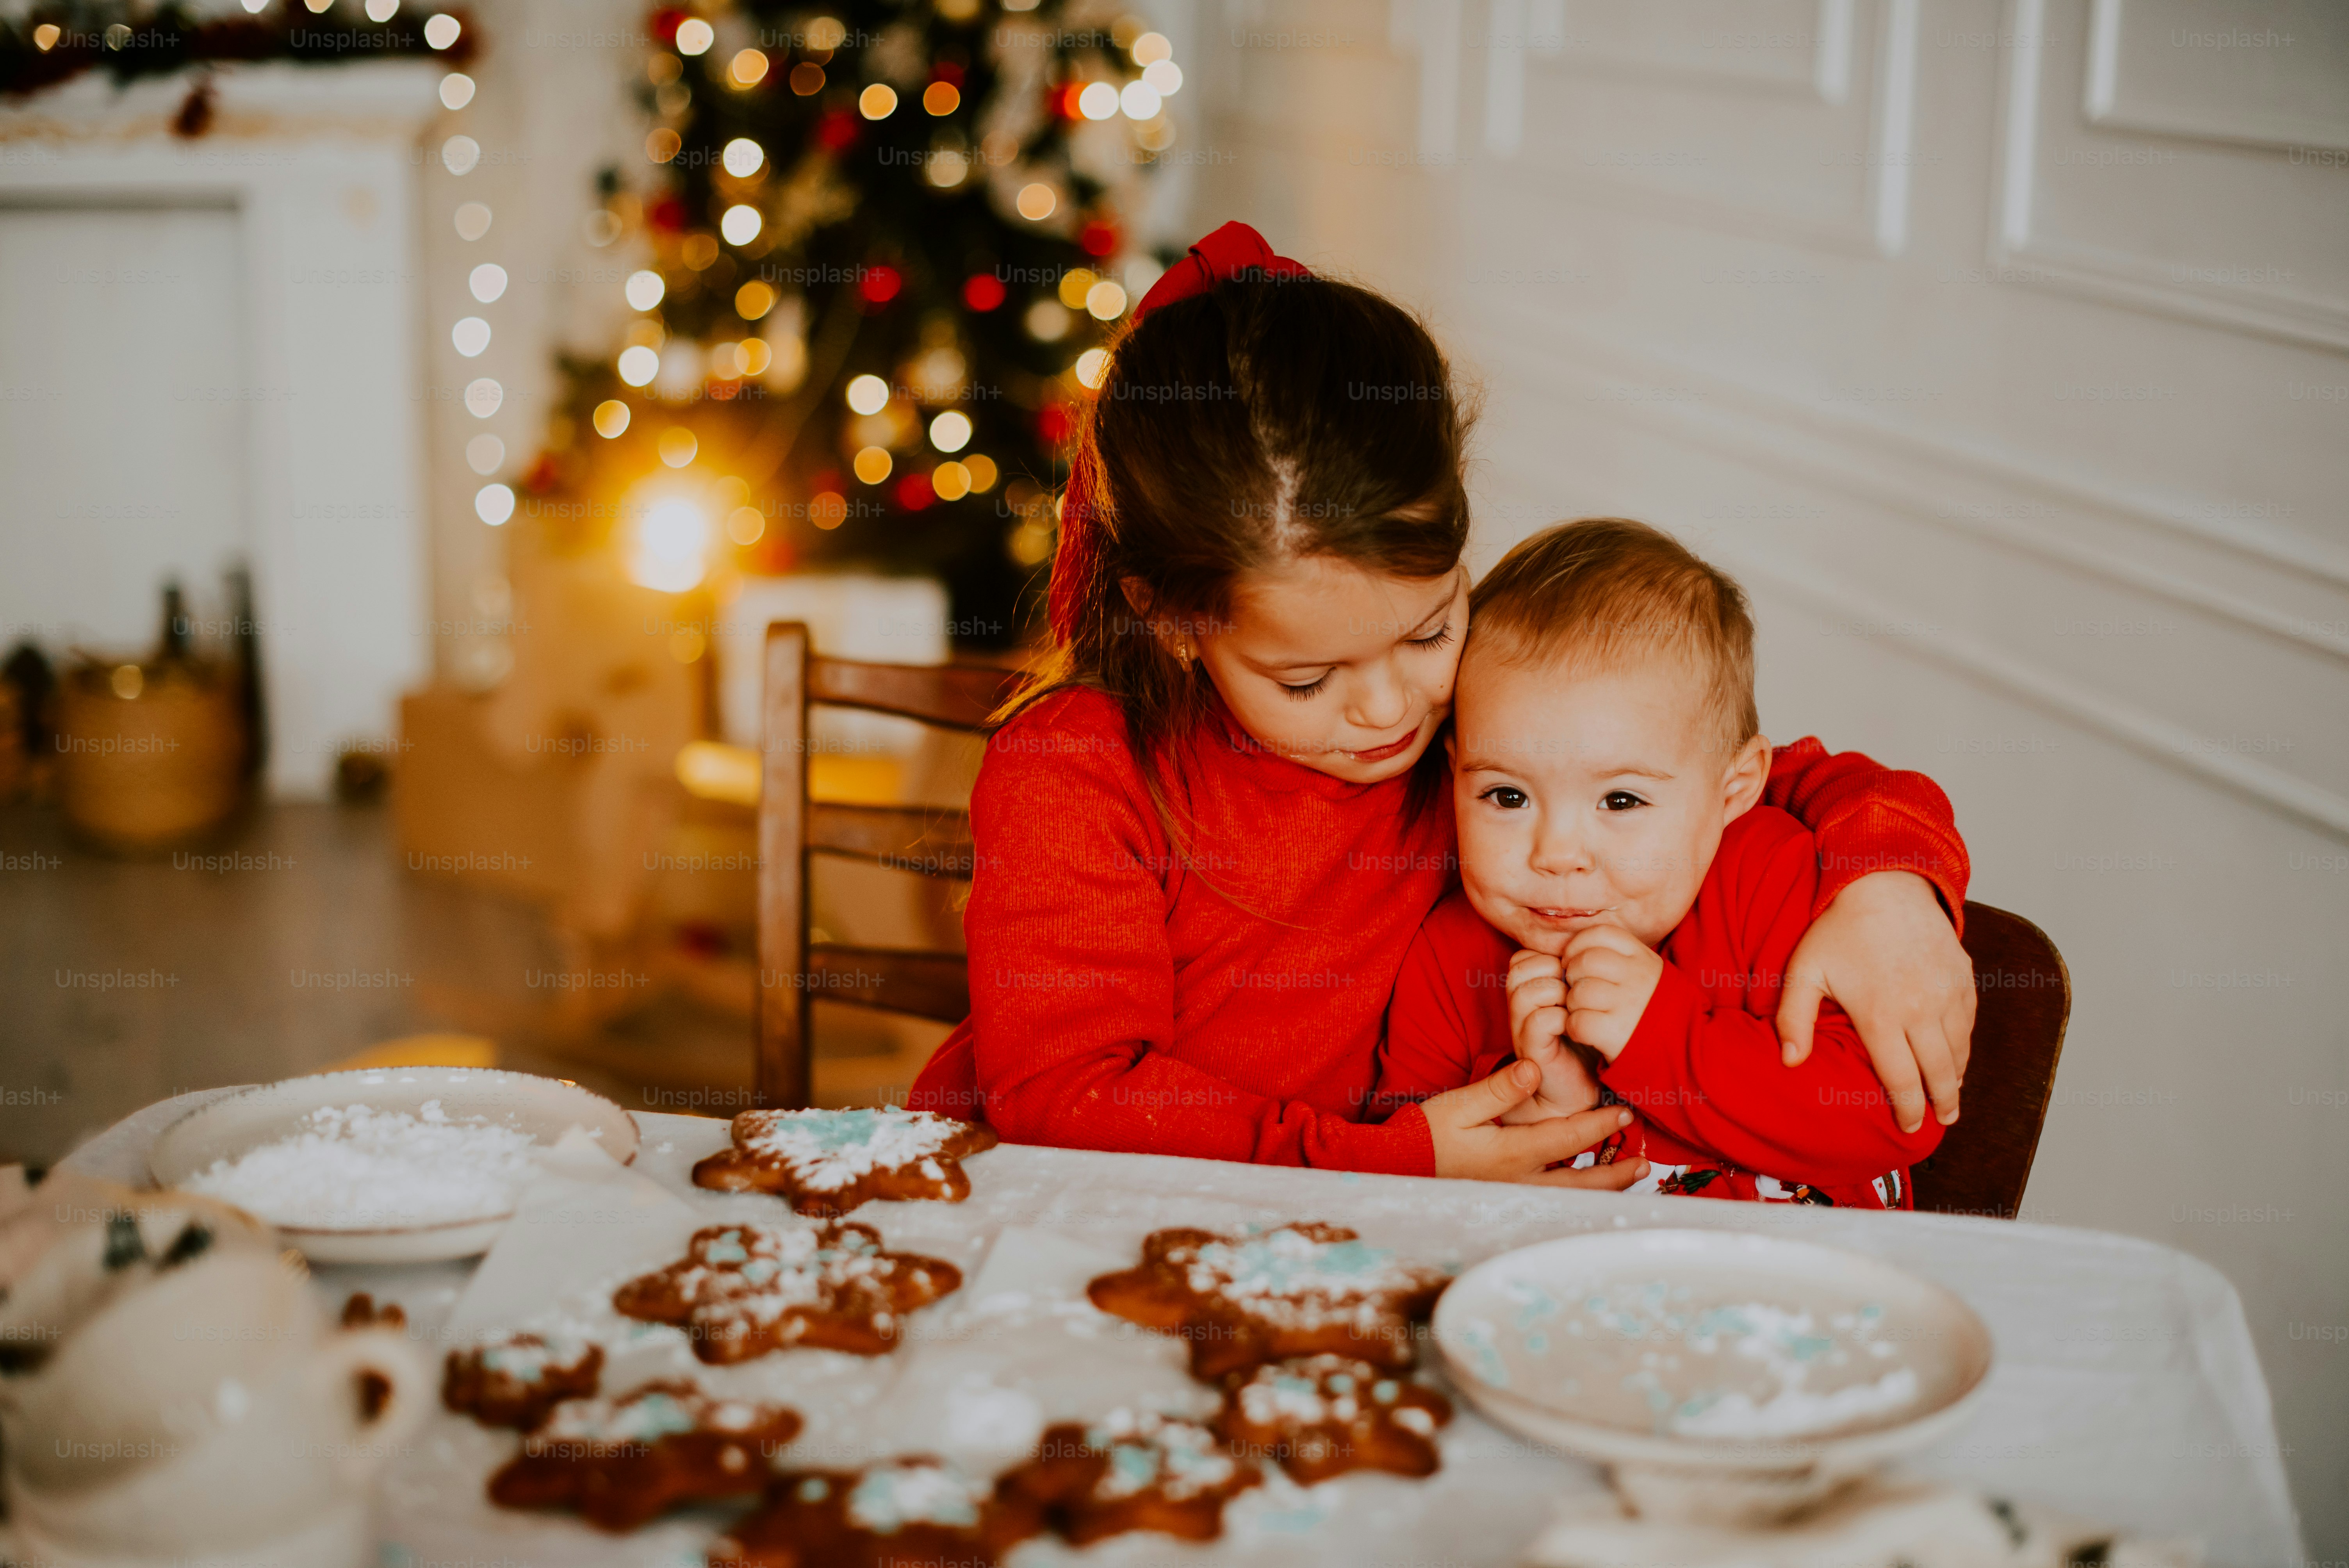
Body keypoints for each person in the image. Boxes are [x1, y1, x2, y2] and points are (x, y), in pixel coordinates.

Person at [908, 223, 1972, 1186]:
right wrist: (1394, 1159)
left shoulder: (1476, 709)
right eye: (1308, 680)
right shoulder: (1079, 773)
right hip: (1070, 1216)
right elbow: (1065, 1100)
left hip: (1359, 1230)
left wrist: (1891, 888)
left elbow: (1719, 763)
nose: (1391, 712)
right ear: (1176, 621)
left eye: (1429, 628)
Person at [1376, 518, 1946, 1206]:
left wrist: (1666, 1040)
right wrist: (1539, 1116)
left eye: (1620, 800)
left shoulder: (1775, 881)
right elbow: (1403, 1178)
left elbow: (1897, 1117)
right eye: (1507, 794)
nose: (1556, 854)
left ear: (1733, 789)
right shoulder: (1449, 954)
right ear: (1455, 772)